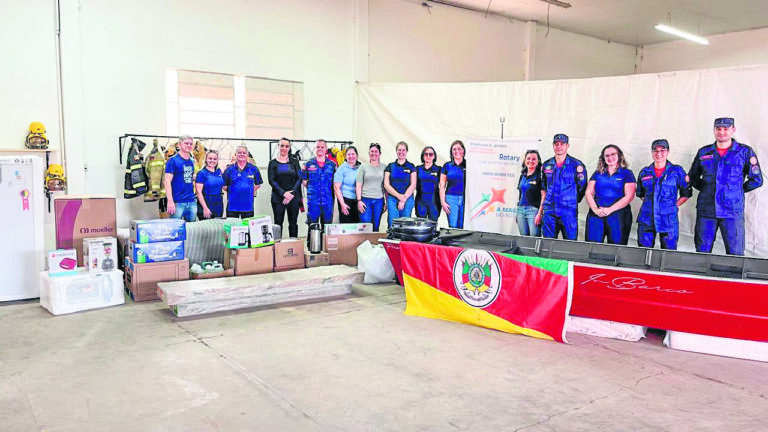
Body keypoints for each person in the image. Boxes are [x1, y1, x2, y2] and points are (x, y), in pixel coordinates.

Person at [688, 117, 763, 256]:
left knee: (735, 253)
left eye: (726, 129)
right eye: (718, 129)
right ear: (714, 130)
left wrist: (735, 192)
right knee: (702, 252)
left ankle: (733, 278)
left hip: (732, 211)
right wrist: (707, 190)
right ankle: (702, 278)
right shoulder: (704, 152)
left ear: (733, 130)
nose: (722, 132)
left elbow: (756, 180)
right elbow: (692, 177)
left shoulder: (744, 152)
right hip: (707, 210)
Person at [636, 139, 692, 250]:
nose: (659, 153)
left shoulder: (676, 171)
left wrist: (673, 205)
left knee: (668, 253)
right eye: (655, 151)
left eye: (662, 150)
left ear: (668, 152)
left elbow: (686, 193)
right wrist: (653, 204)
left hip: (668, 219)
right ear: (652, 152)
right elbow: (641, 194)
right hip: (647, 217)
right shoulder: (645, 172)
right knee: (643, 252)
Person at [536, 134, 587, 240]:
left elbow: (582, 187)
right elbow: (544, 187)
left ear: (567, 145)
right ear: (553, 146)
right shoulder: (547, 165)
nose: (559, 146)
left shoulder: (576, 165)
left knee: (570, 245)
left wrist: (571, 200)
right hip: (550, 211)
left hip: (568, 212)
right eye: (556, 144)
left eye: (562, 144)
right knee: (547, 244)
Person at [585, 145, 636, 245]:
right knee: (592, 246)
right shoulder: (598, 173)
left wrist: (609, 210)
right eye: (607, 155)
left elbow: (629, 196)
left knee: (616, 249)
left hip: (618, 216)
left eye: (613, 154)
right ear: (603, 158)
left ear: (619, 156)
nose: (610, 157)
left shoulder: (627, 173)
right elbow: (588, 192)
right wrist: (595, 209)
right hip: (596, 215)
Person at [268, 138, 302, 237]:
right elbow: (272, 181)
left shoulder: (295, 162)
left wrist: (291, 193)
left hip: (294, 197)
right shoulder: (272, 163)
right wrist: (283, 193)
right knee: (278, 224)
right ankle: (278, 248)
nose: (284, 148)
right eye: (282, 146)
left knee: (293, 224)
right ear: (278, 147)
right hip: (278, 198)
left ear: (289, 148)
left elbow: (299, 178)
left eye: (286, 146)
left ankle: (294, 247)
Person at [301, 139, 336, 227]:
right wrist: (313, 189)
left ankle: (324, 242)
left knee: (327, 228)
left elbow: (336, 184)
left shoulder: (332, 165)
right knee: (312, 227)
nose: (320, 149)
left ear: (326, 149)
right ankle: (312, 241)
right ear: (314, 149)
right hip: (313, 201)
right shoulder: (308, 164)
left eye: (322, 147)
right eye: (318, 147)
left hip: (327, 201)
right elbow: (304, 180)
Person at [163, 135, 197, 222]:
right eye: (186, 143)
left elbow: (188, 176)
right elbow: (167, 181)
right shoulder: (173, 161)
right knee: (176, 230)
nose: (189, 145)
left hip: (191, 200)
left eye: (191, 144)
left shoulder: (191, 161)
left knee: (192, 229)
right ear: (179, 144)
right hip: (177, 202)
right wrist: (170, 201)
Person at [223, 145, 263, 218]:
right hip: (232, 206)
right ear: (236, 155)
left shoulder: (253, 169)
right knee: (232, 228)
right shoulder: (229, 169)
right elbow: (223, 185)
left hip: (248, 206)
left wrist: (249, 190)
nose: (241, 154)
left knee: (247, 228)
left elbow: (258, 184)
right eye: (239, 152)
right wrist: (233, 190)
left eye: (244, 153)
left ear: (247, 155)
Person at [384, 141, 417, 227]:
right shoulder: (390, 166)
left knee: (405, 224)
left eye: (403, 150)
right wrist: (399, 196)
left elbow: (413, 184)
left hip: (407, 198)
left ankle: (403, 241)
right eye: (399, 150)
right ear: (396, 151)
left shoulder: (411, 166)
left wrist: (403, 199)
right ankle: (392, 240)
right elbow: (386, 185)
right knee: (393, 223)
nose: (401, 152)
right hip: (392, 198)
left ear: (406, 152)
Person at [356, 143, 387, 231]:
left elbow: (386, 186)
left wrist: (386, 202)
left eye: (376, 151)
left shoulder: (384, 167)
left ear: (380, 153)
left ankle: (374, 244)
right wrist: (359, 201)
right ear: (369, 153)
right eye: (372, 151)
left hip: (379, 200)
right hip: (365, 200)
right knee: (365, 227)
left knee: (376, 227)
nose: (373, 153)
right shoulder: (363, 167)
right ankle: (365, 245)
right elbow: (358, 185)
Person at [440, 140, 467, 228]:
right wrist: (443, 202)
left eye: (459, 149)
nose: (456, 151)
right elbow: (442, 185)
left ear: (463, 151)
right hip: (451, 199)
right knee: (453, 226)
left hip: (465, 199)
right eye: (454, 149)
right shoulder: (447, 166)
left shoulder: (468, 165)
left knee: (463, 226)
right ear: (451, 152)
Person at [516, 150, 542, 236]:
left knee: (533, 240)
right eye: (528, 158)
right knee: (524, 240)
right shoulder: (522, 175)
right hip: (520, 210)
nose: (531, 161)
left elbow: (544, 196)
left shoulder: (540, 176)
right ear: (525, 160)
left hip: (533, 211)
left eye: (534, 159)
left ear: (538, 161)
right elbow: (520, 194)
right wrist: (518, 210)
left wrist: (540, 213)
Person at [334, 146, 361, 223]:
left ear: (357, 155)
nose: (351, 156)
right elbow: (336, 188)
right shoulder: (341, 169)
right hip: (345, 200)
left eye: (353, 154)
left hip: (358, 200)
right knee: (346, 226)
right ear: (345, 156)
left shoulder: (361, 168)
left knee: (357, 225)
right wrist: (342, 204)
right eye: (349, 154)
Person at [194, 150, 225, 220]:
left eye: (215, 159)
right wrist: (205, 208)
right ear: (206, 159)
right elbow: (199, 192)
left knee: (217, 227)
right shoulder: (202, 173)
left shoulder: (219, 172)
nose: (212, 161)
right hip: (206, 204)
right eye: (210, 158)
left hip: (218, 204)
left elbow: (223, 186)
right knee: (206, 229)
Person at [415, 146, 442, 221]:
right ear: (423, 156)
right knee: (421, 226)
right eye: (426, 154)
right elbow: (413, 184)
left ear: (434, 156)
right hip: (420, 202)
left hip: (434, 203)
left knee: (432, 227)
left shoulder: (439, 169)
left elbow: (443, 186)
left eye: (431, 154)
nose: (428, 156)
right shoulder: (418, 169)